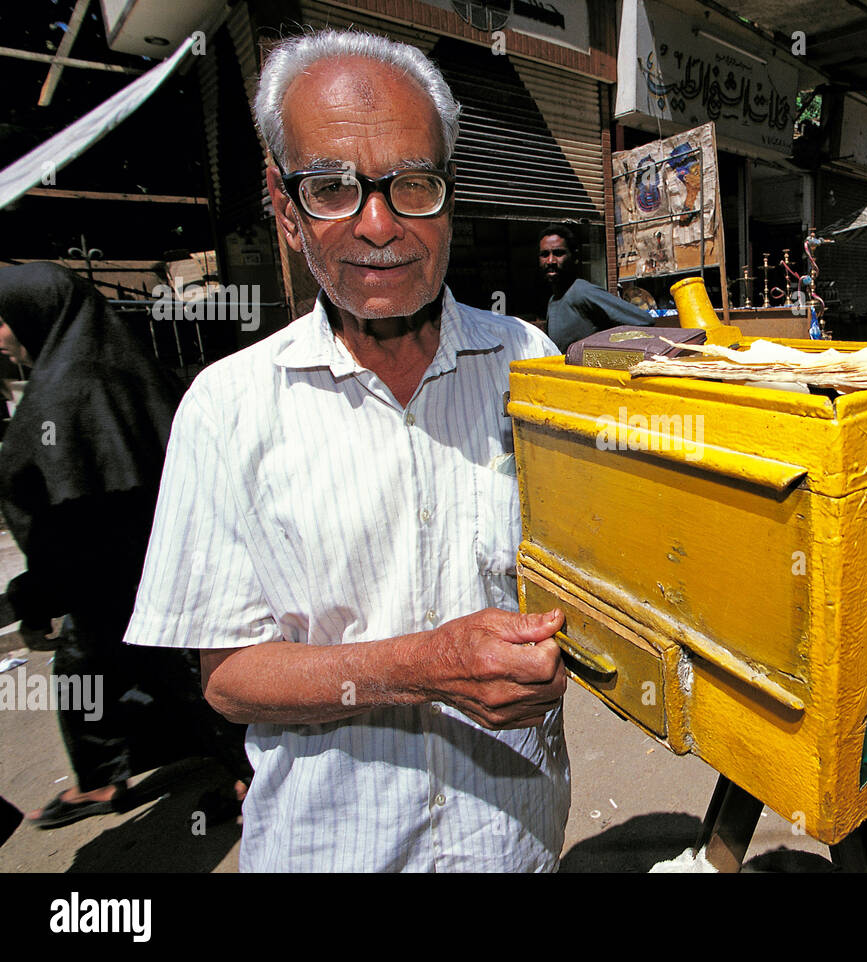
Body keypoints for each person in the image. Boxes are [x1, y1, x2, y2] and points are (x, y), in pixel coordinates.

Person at [124, 30, 571, 872]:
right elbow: (227, 678)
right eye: (331, 188)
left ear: (449, 194)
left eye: (413, 184)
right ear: (284, 209)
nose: (379, 226)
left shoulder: (529, 361)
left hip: (519, 840)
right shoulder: (226, 409)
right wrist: (423, 667)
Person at [0, 262, 250, 830]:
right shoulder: (119, 365)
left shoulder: (71, 389)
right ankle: (104, 776)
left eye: (4, 319)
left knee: (189, 680)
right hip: (137, 568)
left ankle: (252, 780)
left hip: (123, 575)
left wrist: (35, 594)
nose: (1, 334)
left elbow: (75, 512)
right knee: (99, 674)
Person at [539, 224, 653, 351]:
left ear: (575, 257)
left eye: (558, 253)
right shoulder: (554, 300)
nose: (550, 261)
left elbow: (642, 320)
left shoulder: (581, 292)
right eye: (544, 254)